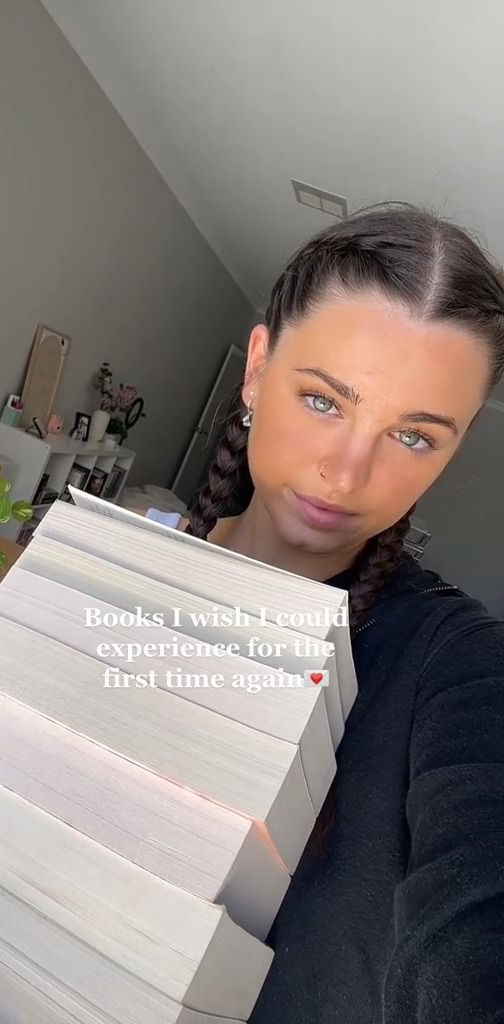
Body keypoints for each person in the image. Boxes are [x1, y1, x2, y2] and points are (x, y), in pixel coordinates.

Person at [182, 204, 504, 1022]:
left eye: (416, 437)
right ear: (257, 369)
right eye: (325, 401)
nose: (348, 471)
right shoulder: (102, 569)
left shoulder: (451, 665)